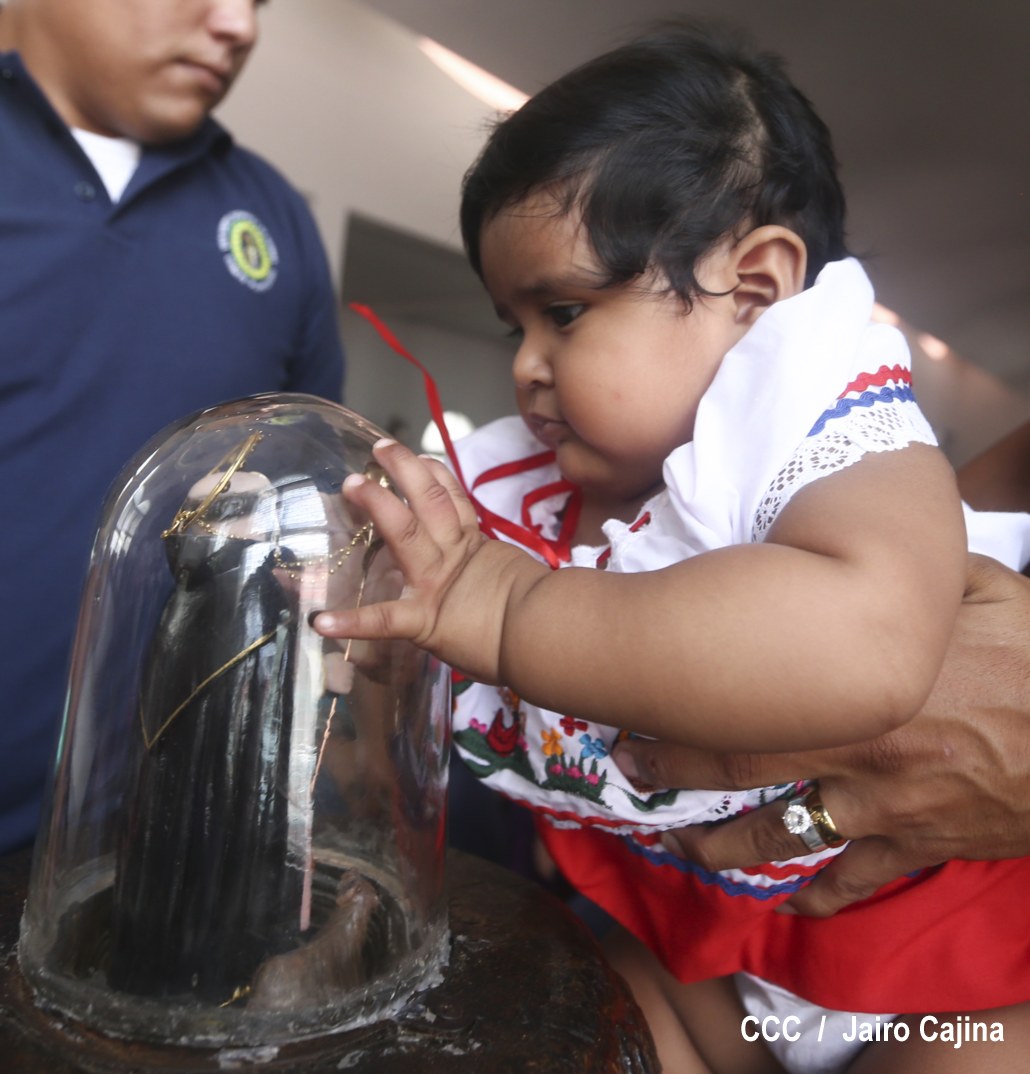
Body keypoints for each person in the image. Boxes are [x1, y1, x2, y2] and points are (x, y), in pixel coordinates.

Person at [315, 25, 1030, 1074]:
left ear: (755, 290)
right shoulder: (544, 500)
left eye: (564, 312)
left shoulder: (835, 434)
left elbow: (874, 647)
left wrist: (506, 610)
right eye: (515, 326)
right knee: (595, 1005)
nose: (526, 366)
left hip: (935, 967)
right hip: (698, 950)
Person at [0, 0, 344, 857]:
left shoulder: (273, 216)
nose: (239, 26)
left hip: (160, 852)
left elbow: (311, 510)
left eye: (258, 2)